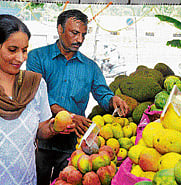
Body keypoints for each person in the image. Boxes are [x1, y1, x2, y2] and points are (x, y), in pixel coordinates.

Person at [0, 14, 74, 185]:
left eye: (25, 50)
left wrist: (53, 127)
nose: (21, 58)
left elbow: (40, 130)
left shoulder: (35, 84)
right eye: (13, 50)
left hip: (23, 180)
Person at [26, 9, 129, 185]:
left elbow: (103, 94)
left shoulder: (90, 67)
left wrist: (113, 101)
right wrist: (68, 115)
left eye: (83, 34)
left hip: (72, 146)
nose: (79, 39)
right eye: (75, 33)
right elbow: (36, 95)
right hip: (40, 140)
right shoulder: (37, 57)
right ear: (60, 29)